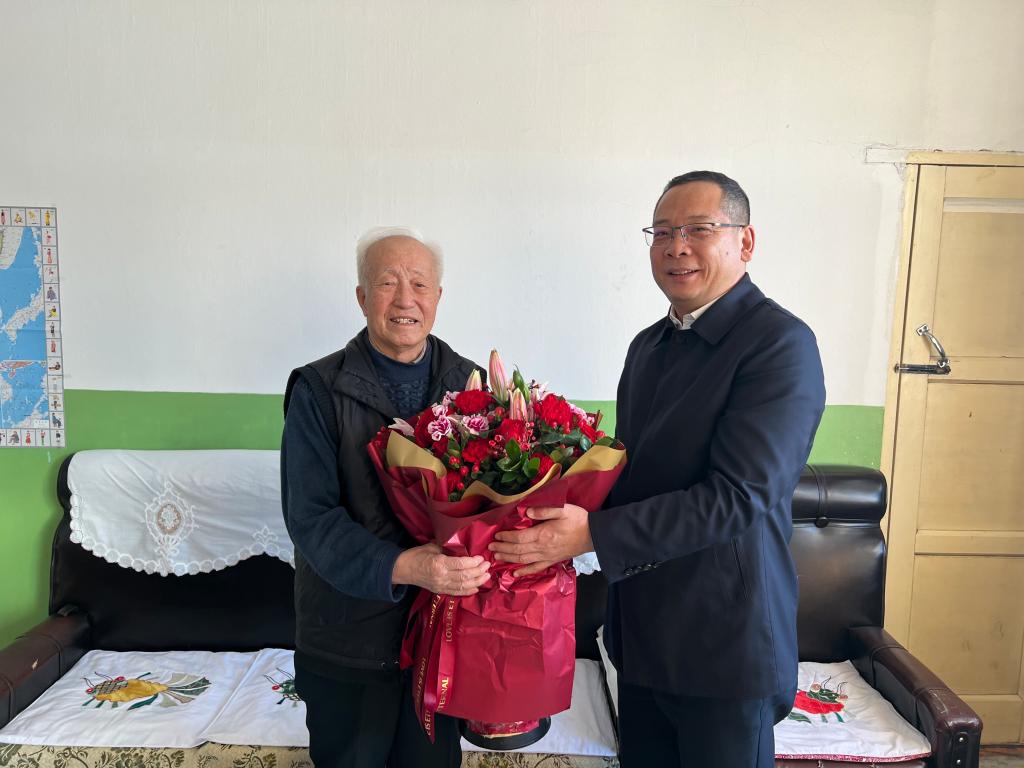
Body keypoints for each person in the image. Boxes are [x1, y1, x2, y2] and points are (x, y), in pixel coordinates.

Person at [490, 171, 826, 767]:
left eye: (698, 229)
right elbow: (631, 475)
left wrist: (591, 534)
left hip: (724, 647)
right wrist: (535, 501)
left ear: (745, 242)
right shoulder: (648, 346)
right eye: (663, 232)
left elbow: (738, 497)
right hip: (642, 639)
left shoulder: (779, 345)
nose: (677, 247)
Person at [281, 227, 490, 768]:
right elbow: (311, 518)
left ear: (438, 297)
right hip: (346, 642)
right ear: (361, 297)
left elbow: (491, 508)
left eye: (419, 284)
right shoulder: (318, 390)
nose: (404, 300)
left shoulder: (471, 387)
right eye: (387, 283)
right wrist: (406, 566)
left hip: (441, 640)